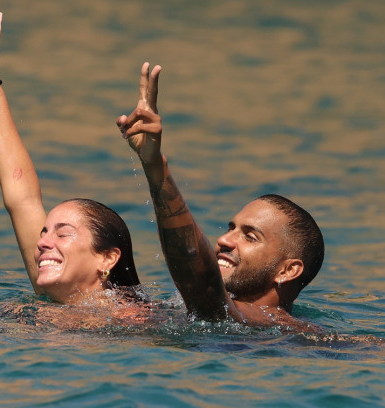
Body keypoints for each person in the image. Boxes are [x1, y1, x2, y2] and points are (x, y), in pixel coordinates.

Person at [116, 63, 324, 329]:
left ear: (287, 271)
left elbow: (202, 285)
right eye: (231, 228)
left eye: (250, 236)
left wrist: (156, 169)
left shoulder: (270, 323)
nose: (224, 240)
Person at [0, 13, 141, 306]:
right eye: (44, 231)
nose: (42, 243)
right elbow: (21, 197)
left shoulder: (135, 324)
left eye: (63, 233)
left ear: (107, 258)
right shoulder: (53, 293)